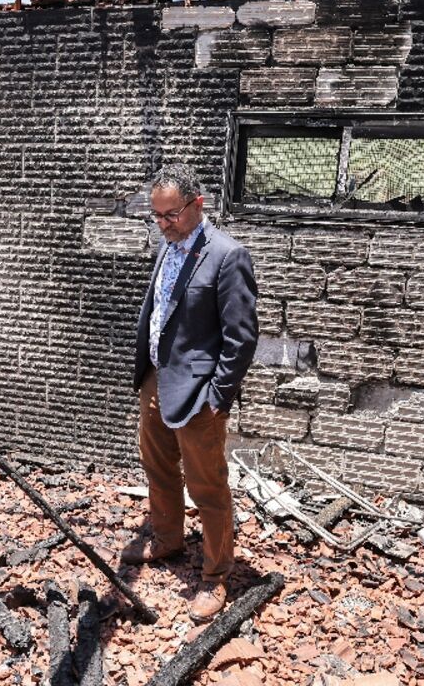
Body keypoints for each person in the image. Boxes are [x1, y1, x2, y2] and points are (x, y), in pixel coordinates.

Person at [120, 164, 259, 622]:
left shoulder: (227, 255)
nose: (163, 224)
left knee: (207, 486)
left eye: (172, 215)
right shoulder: (168, 246)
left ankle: (215, 576)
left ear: (198, 205)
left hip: (200, 393)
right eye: (157, 215)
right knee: (158, 467)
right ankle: (167, 540)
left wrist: (218, 397)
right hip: (156, 380)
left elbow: (241, 338)